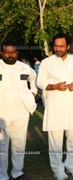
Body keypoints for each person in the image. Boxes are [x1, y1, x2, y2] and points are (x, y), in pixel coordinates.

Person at [37, 33, 73, 180]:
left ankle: (71, 164)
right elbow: (40, 82)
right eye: (56, 46)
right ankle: (58, 169)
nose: (58, 49)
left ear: (68, 46)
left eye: (61, 46)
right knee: (55, 140)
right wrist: (54, 86)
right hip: (55, 105)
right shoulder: (46, 62)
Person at [0, 43, 37, 180]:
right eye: (6, 52)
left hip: (21, 113)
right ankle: (2, 175)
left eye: (13, 52)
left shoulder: (25, 68)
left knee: (19, 144)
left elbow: (34, 79)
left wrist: (33, 92)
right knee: (1, 148)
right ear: (1, 52)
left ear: (17, 52)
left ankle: (17, 172)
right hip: (1, 115)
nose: (10, 55)